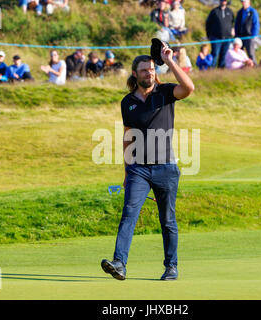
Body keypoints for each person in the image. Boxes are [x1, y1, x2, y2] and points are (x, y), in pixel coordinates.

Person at [100, 44, 195, 281]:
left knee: (168, 220)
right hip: (138, 169)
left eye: (152, 69)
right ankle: (119, 263)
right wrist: (126, 170)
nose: (149, 73)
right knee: (129, 213)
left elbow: (189, 88)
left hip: (166, 168)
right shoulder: (127, 103)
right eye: (144, 70)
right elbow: (128, 136)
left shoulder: (165, 93)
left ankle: (171, 266)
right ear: (135, 74)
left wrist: (170, 61)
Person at [205, 0, 235, 68]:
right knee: (215, 54)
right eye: (222, 0)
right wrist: (209, 36)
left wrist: (232, 30)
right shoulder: (214, 11)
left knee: (224, 55)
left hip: (227, 38)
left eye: (224, 0)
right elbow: (208, 24)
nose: (223, 2)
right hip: (216, 38)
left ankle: (220, 71)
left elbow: (233, 22)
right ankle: (211, 70)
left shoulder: (229, 11)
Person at [234, 0, 260, 65]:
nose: (243, 3)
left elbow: (256, 24)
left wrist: (253, 36)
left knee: (251, 54)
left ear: (249, 2)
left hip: (249, 36)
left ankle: (254, 67)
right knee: (240, 53)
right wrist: (236, 35)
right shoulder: (240, 12)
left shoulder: (253, 12)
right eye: (242, 1)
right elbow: (236, 24)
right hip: (240, 37)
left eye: (245, 1)